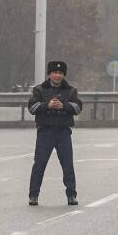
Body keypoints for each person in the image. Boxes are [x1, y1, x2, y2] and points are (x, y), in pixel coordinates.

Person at [27, 61, 83, 206]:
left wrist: (63, 105)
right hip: (45, 132)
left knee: (68, 165)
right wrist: (48, 105)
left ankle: (71, 195)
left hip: (63, 132)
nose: (58, 75)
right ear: (49, 74)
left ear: (63, 75)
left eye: (60, 73)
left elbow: (78, 108)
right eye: (55, 73)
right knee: (39, 165)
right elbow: (32, 108)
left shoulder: (71, 90)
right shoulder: (39, 90)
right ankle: (33, 195)